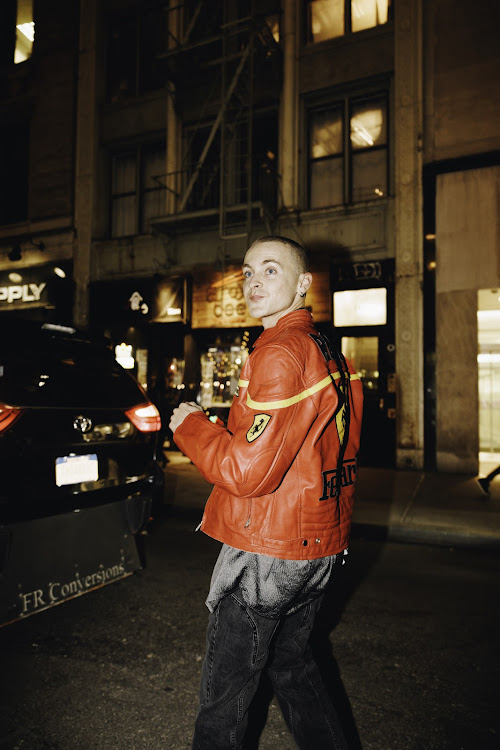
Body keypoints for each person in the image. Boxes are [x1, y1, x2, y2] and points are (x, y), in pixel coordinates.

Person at [169, 235, 364, 750]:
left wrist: (190, 426)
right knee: (293, 668)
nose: (254, 281)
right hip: (318, 545)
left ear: (303, 284)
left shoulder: (280, 351)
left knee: (225, 693)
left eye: (270, 271)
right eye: (248, 271)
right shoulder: (327, 349)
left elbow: (246, 472)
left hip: (268, 553)